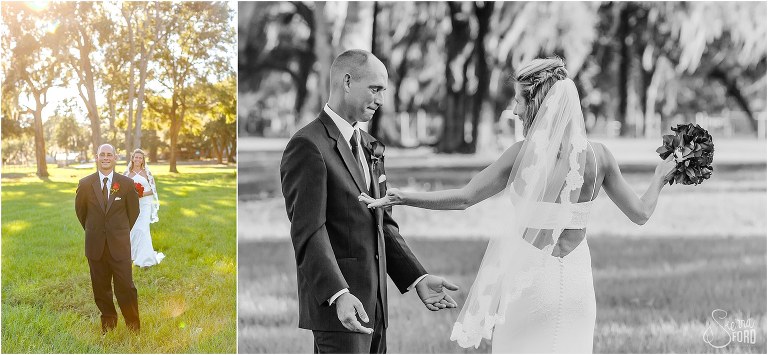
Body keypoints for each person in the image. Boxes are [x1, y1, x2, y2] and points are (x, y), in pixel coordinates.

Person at [360, 57, 677, 353]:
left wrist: (404, 197)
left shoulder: (522, 155)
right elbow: (641, 213)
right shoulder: (600, 156)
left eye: (518, 101)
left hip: (531, 282)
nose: (514, 110)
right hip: (577, 284)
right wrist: (660, 177)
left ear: (537, 104)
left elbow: (465, 198)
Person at [279, 49, 459, 354]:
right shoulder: (308, 145)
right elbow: (308, 232)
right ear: (347, 82)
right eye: (375, 89)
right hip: (340, 309)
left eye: (383, 91)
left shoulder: (368, 146)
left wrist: (417, 277)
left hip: (375, 306)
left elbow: (382, 223)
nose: (381, 100)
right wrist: (339, 294)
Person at [75, 143, 141, 333]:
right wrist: (95, 230)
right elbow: (81, 213)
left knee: (126, 287)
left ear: (115, 157)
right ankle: (109, 325)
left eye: (109, 154)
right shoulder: (85, 184)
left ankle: (133, 326)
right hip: (95, 246)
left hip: (119, 246)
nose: (105, 158)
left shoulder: (126, 184)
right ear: (96, 157)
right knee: (101, 288)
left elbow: (133, 212)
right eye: (102, 154)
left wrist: (119, 231)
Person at [124, 148, 164, 267]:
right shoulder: (127, 173)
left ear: (143, 160)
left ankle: (146, 259)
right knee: (133, 229)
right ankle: (134, 254)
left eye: (140, 158)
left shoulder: (147, 173)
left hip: (145, 205)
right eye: (136, 157)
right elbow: (123, 189)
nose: (138, 159)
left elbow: (153, 190)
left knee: (143, 229)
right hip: (132, 206)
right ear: (132, 159)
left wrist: (141, 194)